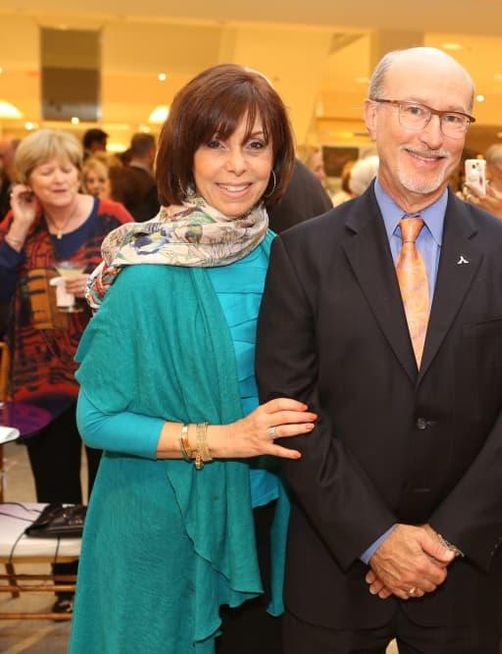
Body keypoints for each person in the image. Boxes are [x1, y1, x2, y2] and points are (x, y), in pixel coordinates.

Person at [255, 46, 502, 654]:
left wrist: (443, 540)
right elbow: (291, 407)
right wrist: (376, 539)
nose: (433, 135)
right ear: (372, 116)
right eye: (415, 110)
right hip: (337, 559)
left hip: (462, 566)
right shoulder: (302, 253)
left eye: (453, 118)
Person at [68, 64, 317, 653]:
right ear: (185, 154)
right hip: (162, 525)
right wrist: (224, 439)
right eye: (216, 144)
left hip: (262, 520)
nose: (238, 165)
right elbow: (98, 419)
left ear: (277, 159)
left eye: (256, 145)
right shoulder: (148, 272)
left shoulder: (287, 258)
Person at [0, 128, 133, 613]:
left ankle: (106, 586)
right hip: (40, 385)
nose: (58, 179)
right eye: (44, 170)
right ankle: (66, 592)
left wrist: (97, 289)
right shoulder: (19, 227)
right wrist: (16, 229)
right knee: (53, 494)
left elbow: (146, 285)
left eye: (66, 168)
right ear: (26, 180)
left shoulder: (113, 220)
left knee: (110, 492)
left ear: (80, 171)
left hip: (106, 380)